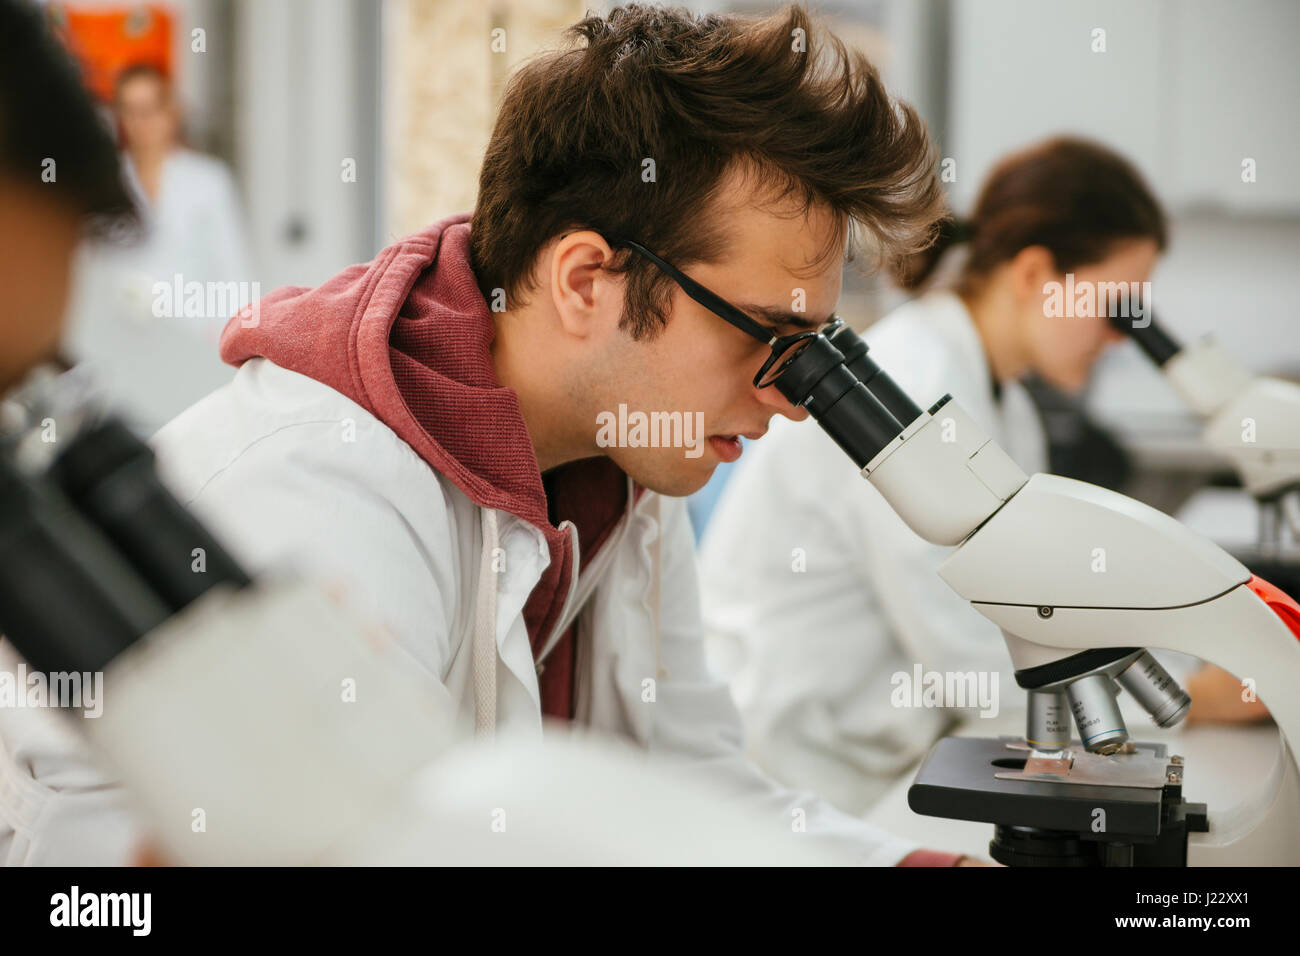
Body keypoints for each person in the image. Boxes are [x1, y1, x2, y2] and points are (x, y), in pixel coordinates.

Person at [1, 3, 991, 866]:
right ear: (583, 281)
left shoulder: (620, 469)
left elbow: (692, 783)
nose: (792, 396)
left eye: (815, 348)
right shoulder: (318, 486)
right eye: (768, 336)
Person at [699, 137, 1265, 816]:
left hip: (889, 756)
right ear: (1033, 275)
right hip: (806, 778)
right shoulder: (911, 386)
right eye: (1116, 308)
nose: (1121, 338)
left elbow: (1031, 600)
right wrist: (1196, 693)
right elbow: (974, 660)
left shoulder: (1006, 401)